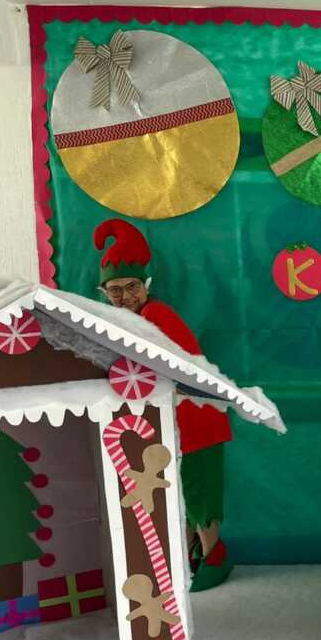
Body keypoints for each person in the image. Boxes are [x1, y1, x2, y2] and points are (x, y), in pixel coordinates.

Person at [93, 218, 234, 591]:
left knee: (199, 491)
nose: (125, 296)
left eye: (132, 287)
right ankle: (190, 555)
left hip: (197, 420)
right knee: (182, 491)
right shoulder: (127, 322)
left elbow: (176, 368)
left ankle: (214, 554)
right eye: (115, 290)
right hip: (174, 423)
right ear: (104, 292)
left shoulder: (155, 316)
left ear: (146, 285)